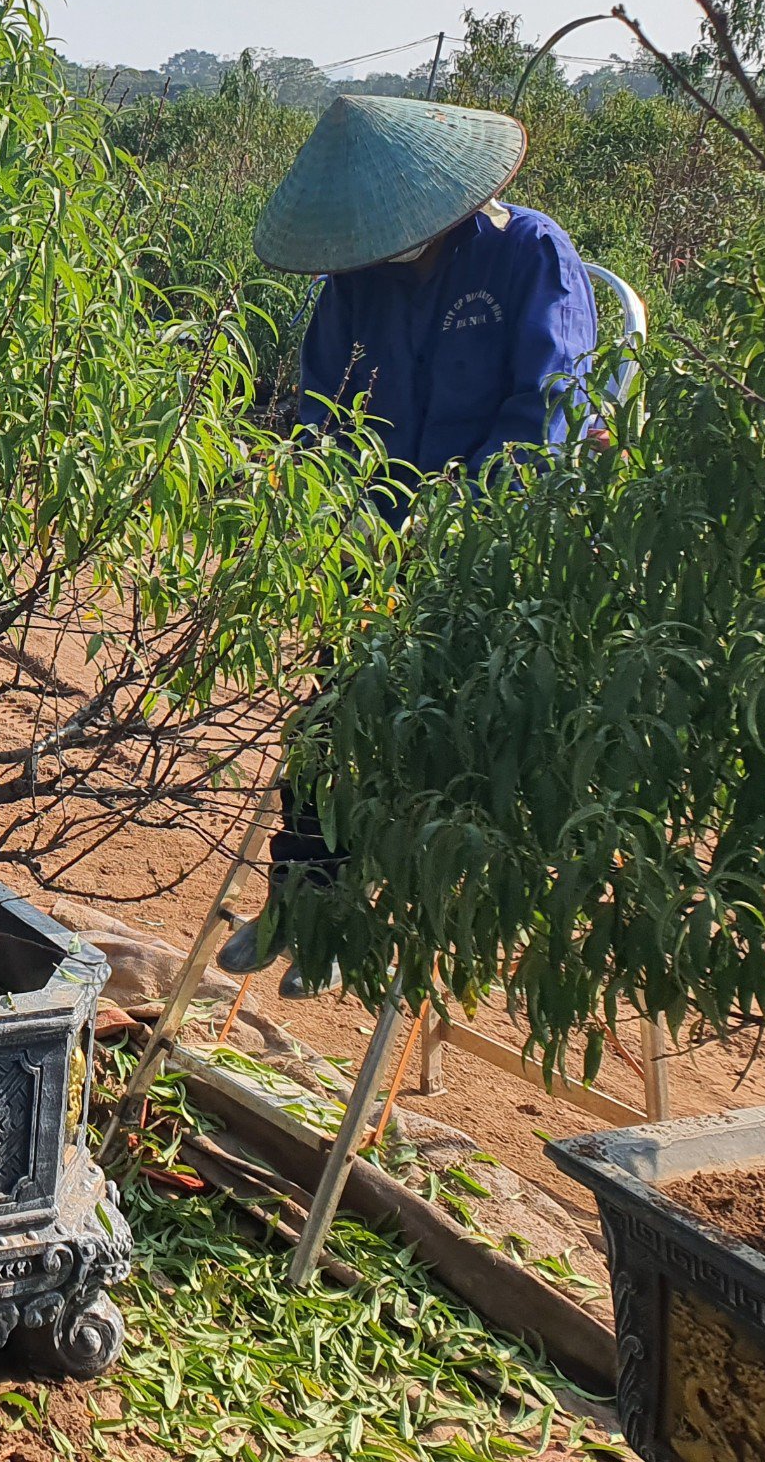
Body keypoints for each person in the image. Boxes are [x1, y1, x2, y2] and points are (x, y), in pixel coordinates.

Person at [219, 96, 600, 993]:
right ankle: (307, 912)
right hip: (375, 540)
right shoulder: (354, 284)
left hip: (492, 549)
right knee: (326, 719)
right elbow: (323, 415)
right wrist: (331, 515)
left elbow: (553, 408)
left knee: (440, 736)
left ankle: (400, 920)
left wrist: (458, 517)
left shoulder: (527, 254)